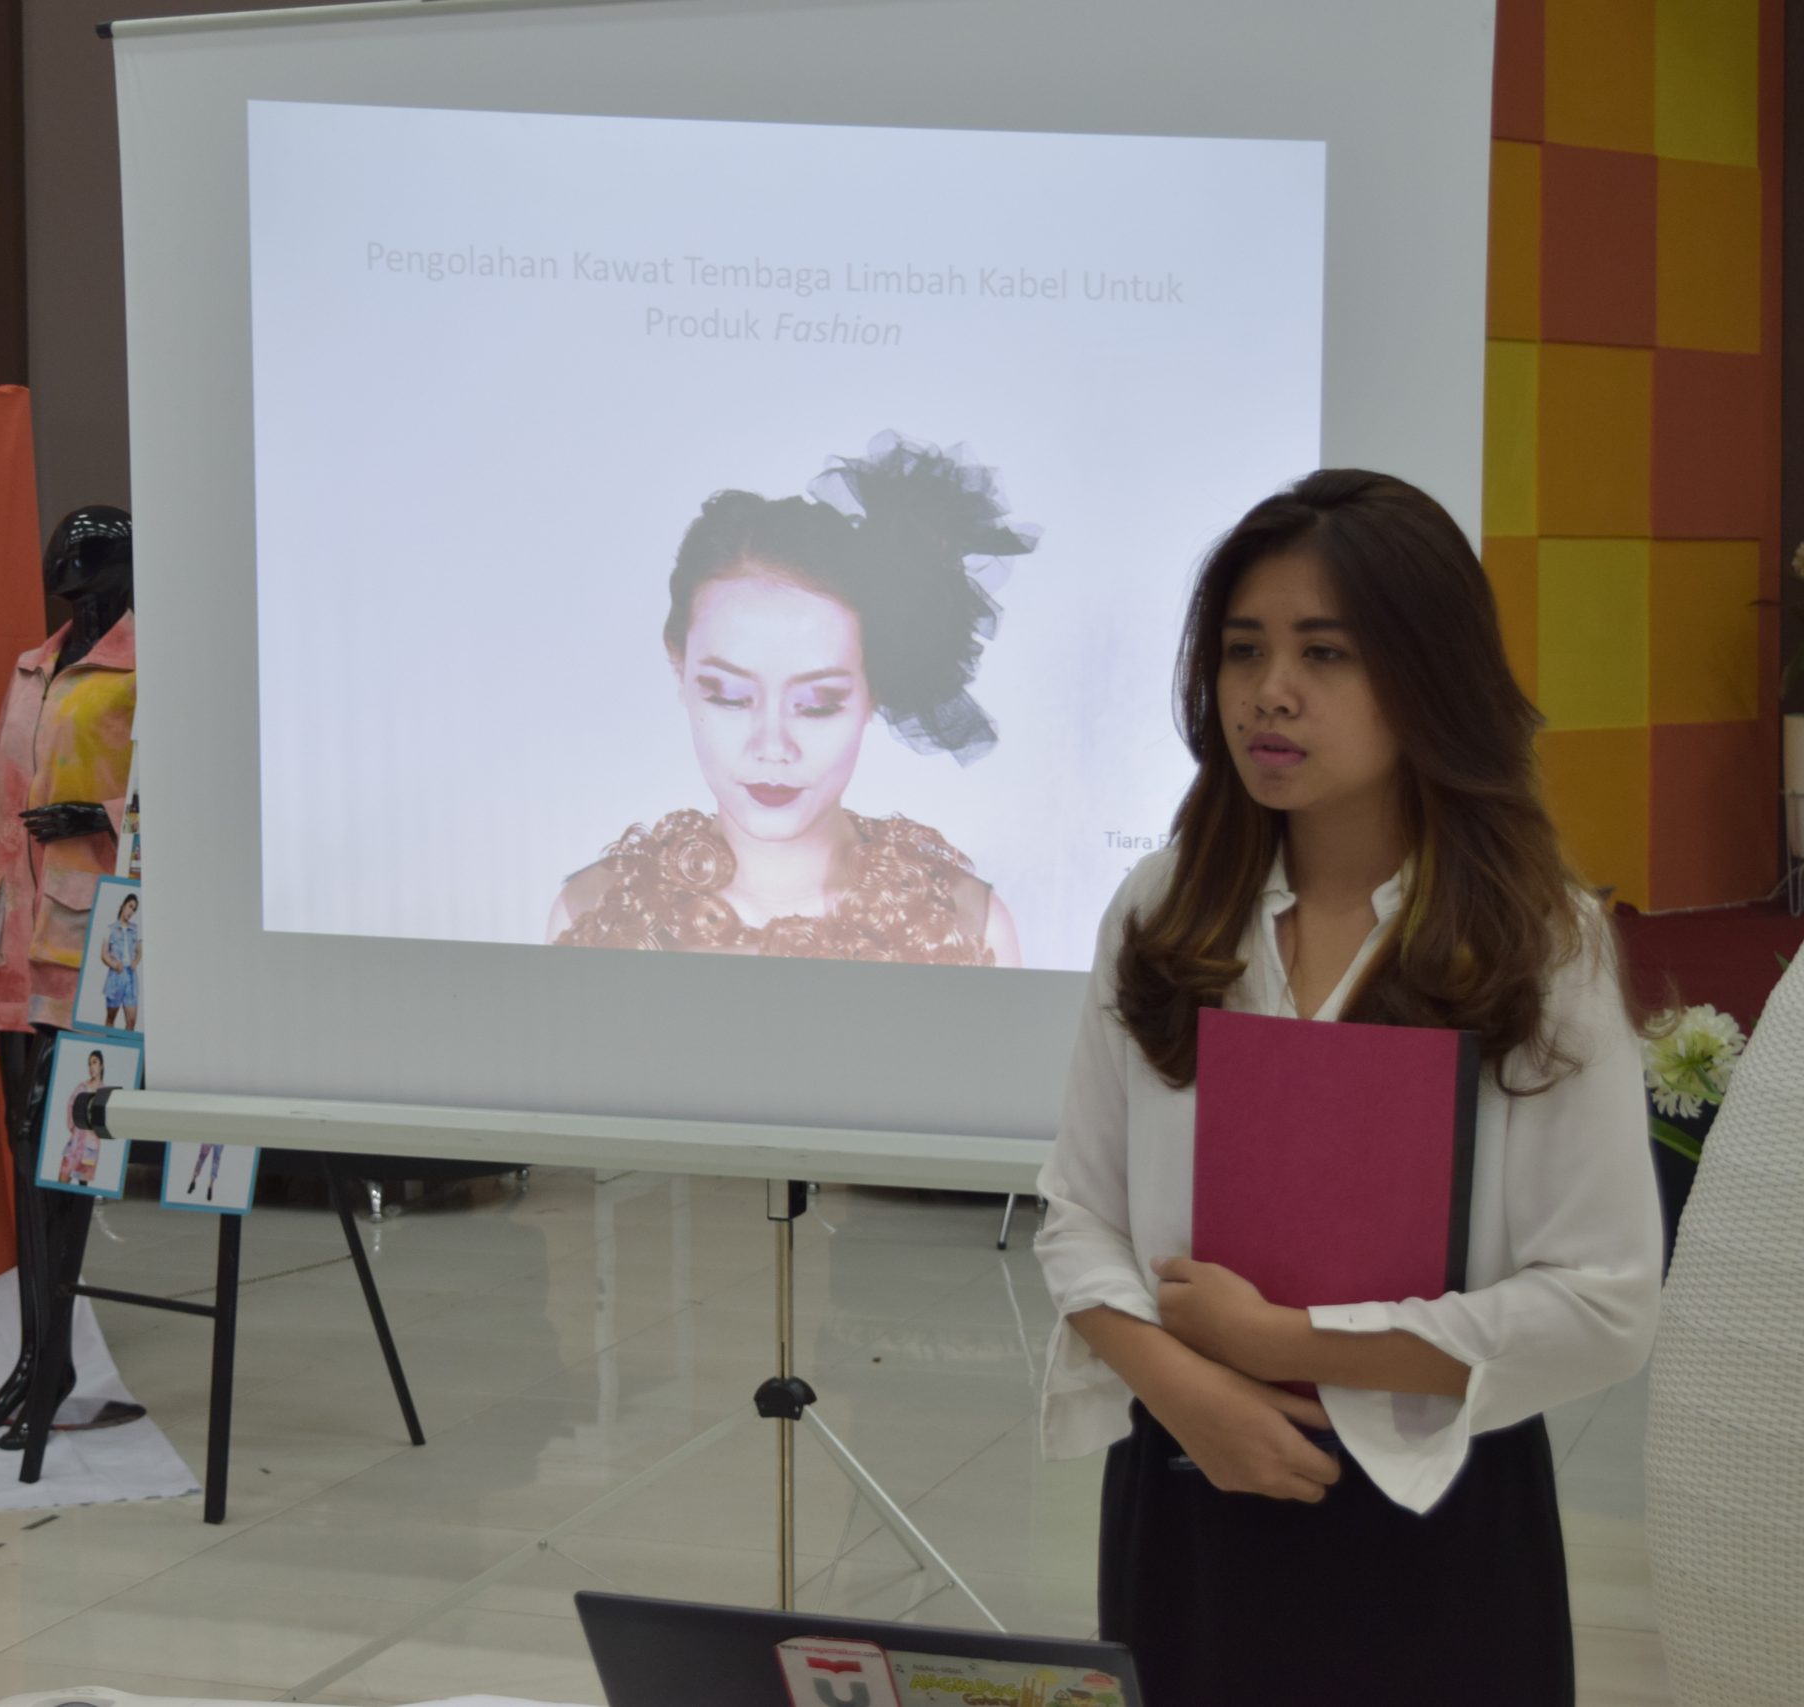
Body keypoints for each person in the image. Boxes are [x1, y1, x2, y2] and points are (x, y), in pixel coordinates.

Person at [1033, 470, 1663, 1707]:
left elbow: (1601, 1302)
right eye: (1242, 651)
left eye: (1325, 654)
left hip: (1433, 1509)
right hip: (1188, 1484)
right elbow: (1077, 1216)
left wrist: (1284, 1344)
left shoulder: (1536, 943)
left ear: (1426, 678)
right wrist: (1189, 1390)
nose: (1270, 692)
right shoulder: (1162, 910)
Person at [548, 431, 1030, 964]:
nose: (772, 746)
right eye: (729, 696)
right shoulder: (595, 918)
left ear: (875, 690)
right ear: (679, 668)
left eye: (818, 703)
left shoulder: (965, 928)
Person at [54, 1050, 108, 1187]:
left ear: (102, 1065)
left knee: (83, 1185)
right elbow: (70, 1105)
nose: (91, 1067)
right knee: (63, 1178)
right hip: (75, 1142)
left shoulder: (105, 1092)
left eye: (94, 1062)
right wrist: (73, 1126)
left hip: (90, 1146)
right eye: (89, 1064)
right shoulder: (81, 1087)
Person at [100, 892, 142, 1030]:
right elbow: (104, 954)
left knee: (131, 1022)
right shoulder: (110, 928)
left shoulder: (135, 930)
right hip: (115, 976)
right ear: (123, 905)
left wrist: (136, 961)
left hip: (131, 977)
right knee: (111, 1018)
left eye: (134, 909)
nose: (131, 911)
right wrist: (114, 964)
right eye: (130, 906)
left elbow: (139, 950)